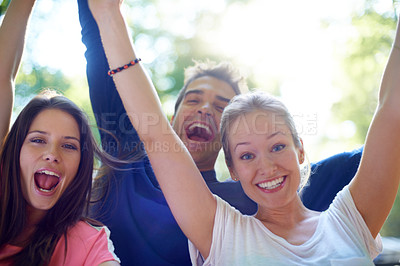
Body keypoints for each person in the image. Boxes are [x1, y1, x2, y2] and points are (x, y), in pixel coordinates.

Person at [89, 0, 400, 264]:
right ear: (233, 170)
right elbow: (156, 135)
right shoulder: (221, 231)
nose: (266, 166)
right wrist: (108, 14)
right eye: (247, 155)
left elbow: (393, 112)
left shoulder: (350, 220)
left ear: (300, 149)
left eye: (277, 146)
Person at [0, 0, 121, 265]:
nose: (51, 154)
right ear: (14, 150)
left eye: (68, 146)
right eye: (38, 140)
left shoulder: (88, 243)